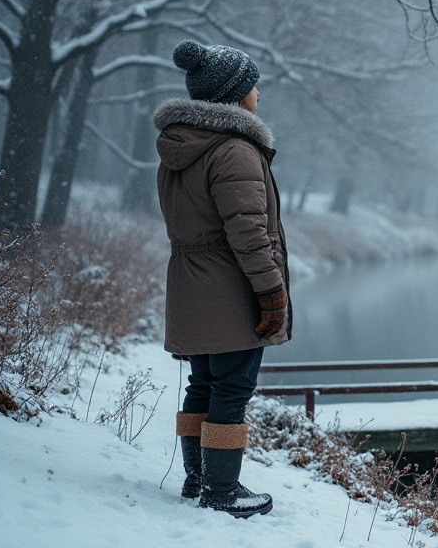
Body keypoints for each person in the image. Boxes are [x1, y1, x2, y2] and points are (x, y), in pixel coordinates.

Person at [153, 39, 291, 518]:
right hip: (229, 288)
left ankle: (198, 480)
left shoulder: (182, 148)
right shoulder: (233, 150)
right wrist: (271, 293)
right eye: (252, 85)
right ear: (234, 95)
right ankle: (222, 490)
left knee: (204, 383)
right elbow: (249, 235)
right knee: (233, 388)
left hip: (190, 284)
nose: (259, 93)